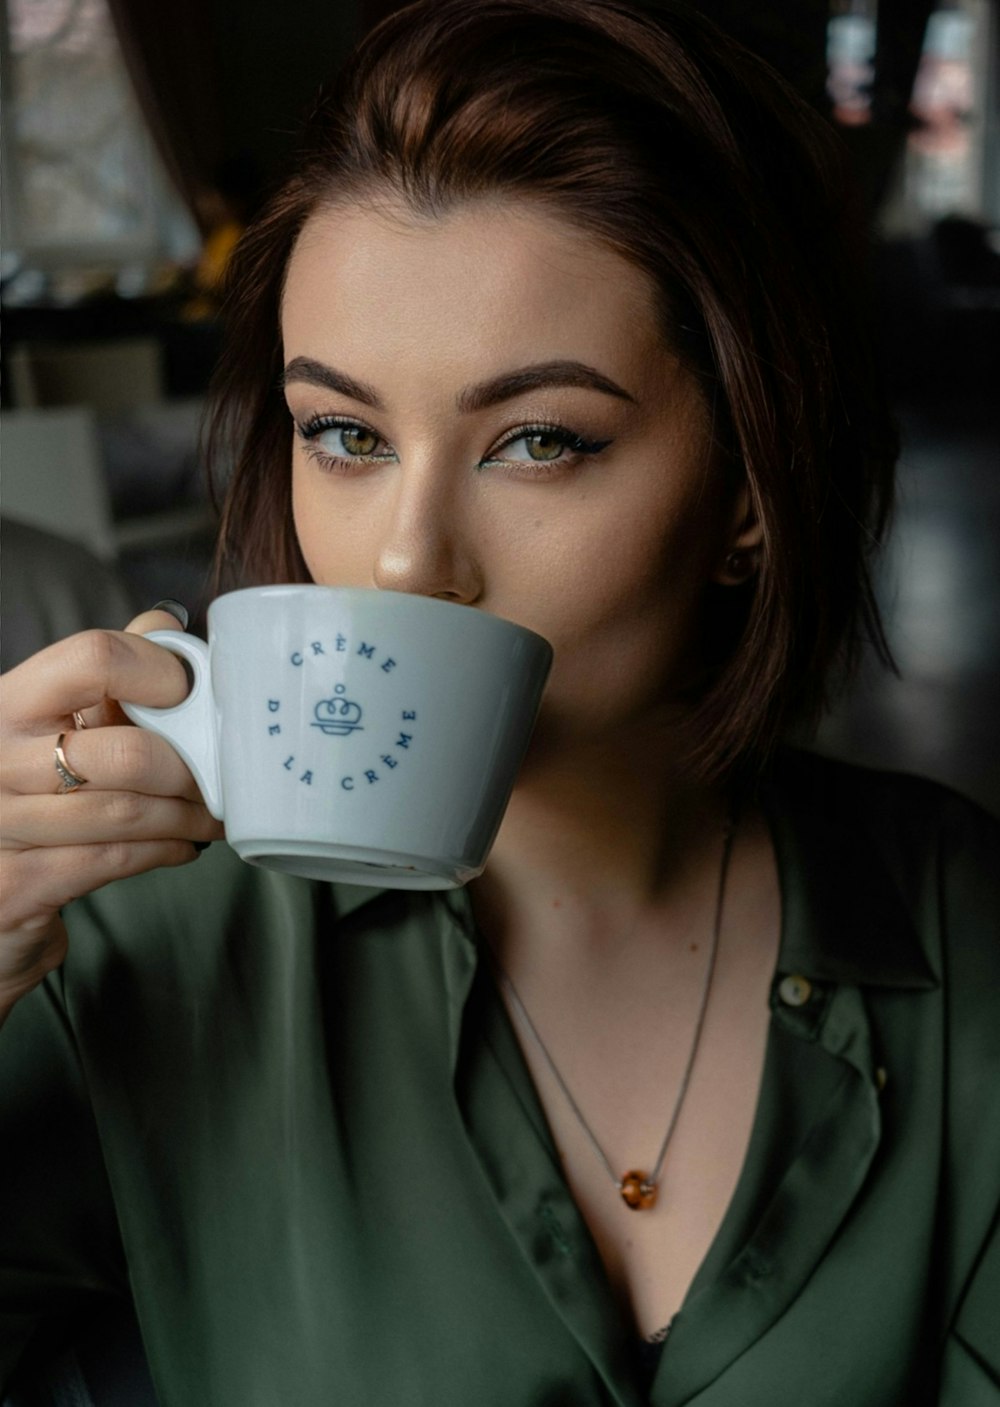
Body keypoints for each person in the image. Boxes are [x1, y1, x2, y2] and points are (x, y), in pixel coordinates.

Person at [1, 1, 997, 1403]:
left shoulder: (964, 935)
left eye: (539, 441)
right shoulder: (117, 952)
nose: (408, 562)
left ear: (751, 496)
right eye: (343, 435)